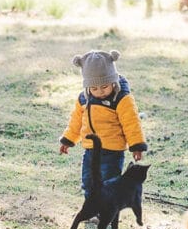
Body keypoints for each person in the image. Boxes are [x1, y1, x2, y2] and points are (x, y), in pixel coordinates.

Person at [58, 49, 148, 196]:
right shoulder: (83, 99)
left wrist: (136, 145)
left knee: (108, 182)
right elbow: (76, 122)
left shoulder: (121, 98)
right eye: (94, 88)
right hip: (91, 150)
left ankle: (106, 214)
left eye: (104, 86)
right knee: (89, 181)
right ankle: (92, 210)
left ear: (113, 81)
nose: (100, 91)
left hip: (112, 151)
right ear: (87, 86)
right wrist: (68, 140)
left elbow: (131, 124)